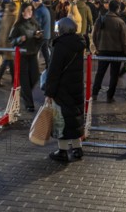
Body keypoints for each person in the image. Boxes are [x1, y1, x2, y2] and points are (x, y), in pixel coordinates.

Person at [44, 17, 85, 162]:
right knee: (74, 117)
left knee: (61, 119)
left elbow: (54, 71)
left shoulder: (60, 45)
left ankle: (62, 151)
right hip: (76, 86)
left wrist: (49, 92)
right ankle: (77, 148)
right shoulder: (79, 44)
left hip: (62, 88)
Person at [92, 0, 126, 103]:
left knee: (100, 72)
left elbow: (94, 35)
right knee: (114, 75)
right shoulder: (120, 22)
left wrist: (97, 47)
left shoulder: (101, 19)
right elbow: (124, 40)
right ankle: (110, 96)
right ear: (117, 8)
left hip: (103, 50)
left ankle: (94, 93)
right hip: (117, 51)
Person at [9, 3, 43, 112]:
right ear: (23, 11)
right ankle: (29, 104)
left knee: (34, 77)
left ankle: (24, 93)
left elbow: (40, 39)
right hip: (22, 55)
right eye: (28, 10)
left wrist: (38, 37)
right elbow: (11, 41)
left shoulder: (35, 23)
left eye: (31, 10)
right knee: (24, 80)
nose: (30, 12)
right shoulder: (18, 25)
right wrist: (19, 39)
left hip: (32, 53)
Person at [0, 1, 18, 86]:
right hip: (7, 42)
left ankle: (14, 79)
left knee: (10, 62)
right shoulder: (12, 16)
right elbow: (10, 31)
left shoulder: (6, 14)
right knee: (7, 61)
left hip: (2, 41)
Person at [32, 0, 52, 69]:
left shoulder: (39, 11)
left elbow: (38, 24)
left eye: (33, 2)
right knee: (45, 51)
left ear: (35, 2)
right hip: (46, 34)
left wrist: (35, 34)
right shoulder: (45, 9)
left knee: (35, 52)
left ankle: (34, 69)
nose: (33, 4)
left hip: (41, 35)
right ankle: (49, 67)